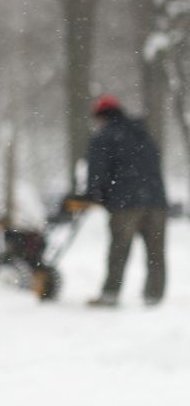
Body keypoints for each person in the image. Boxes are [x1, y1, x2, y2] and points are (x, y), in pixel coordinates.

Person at [69, 94, 167, 307]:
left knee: (119, 251)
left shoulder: (105, 136)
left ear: (101, 116)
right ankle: (154, 296)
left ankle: (110, 295)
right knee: (155, 253)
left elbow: (98, 170)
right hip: (156, 201)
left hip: (126, 204)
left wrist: (94, 194)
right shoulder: (142, 132)